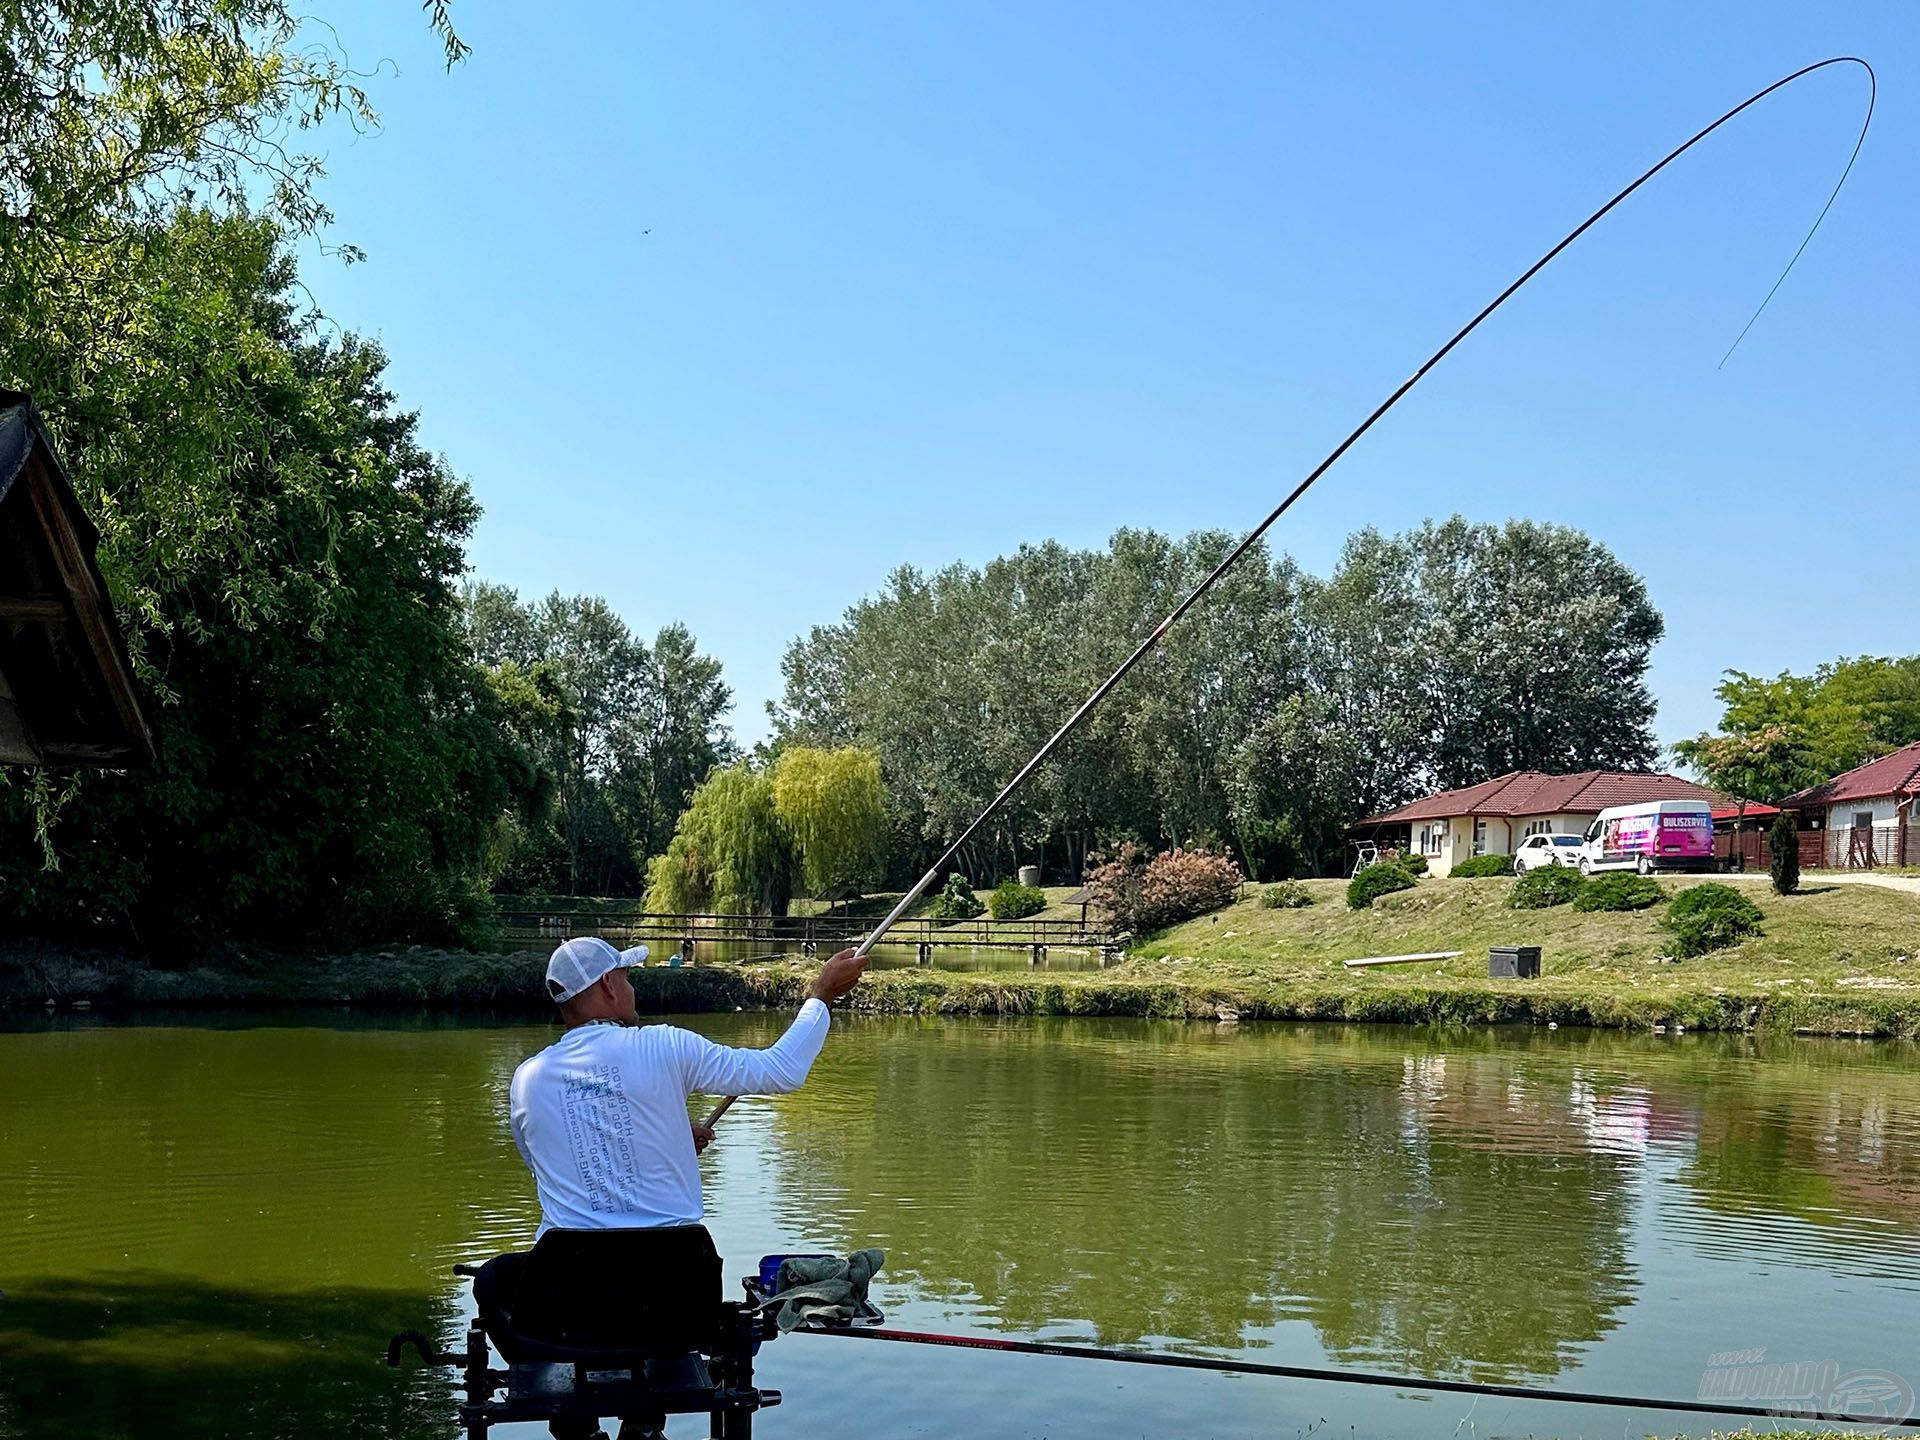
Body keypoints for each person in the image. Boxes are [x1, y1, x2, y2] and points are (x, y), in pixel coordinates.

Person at [474, 935, 868, 1440]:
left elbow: (554, 1170)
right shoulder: (664, 1044)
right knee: (652, 1273)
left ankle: (575, 1427)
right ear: (609, 988)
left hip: (569, 1307)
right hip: (676, 1306)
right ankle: (642, 1424)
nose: (632, 988)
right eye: (627, 977)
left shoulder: (528, 1079)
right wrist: (820, 997)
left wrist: (667, 1138)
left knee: (494, 1281)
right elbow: (781, 1071)